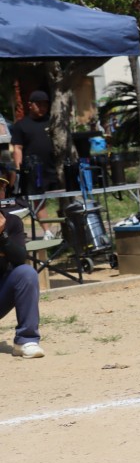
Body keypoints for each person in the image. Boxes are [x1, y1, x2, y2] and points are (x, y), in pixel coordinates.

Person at [10, 90, 59, 239]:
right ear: (30, 105)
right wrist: (19, 170)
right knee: (39, 199)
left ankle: (69, 228)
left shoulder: (52, 122)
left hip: (54, 167)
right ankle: (47, 231)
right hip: (34, 170)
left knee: (66, 196)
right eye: (38, 104)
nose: (42, 107)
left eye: (45, 104)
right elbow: (17, 148)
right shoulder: (21, 126)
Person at [0, 208, 44, 358]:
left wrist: (2, 236)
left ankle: (26, 340)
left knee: (26, 273)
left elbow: (19, 258)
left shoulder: (12, 222)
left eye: (1, 187)